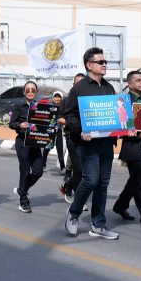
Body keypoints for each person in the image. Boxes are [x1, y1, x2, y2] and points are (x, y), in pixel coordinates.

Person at [62, 47, 119, 240]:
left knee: (102, 184)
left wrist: (124, 127)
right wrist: (80, 131)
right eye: (100, 62)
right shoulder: (79, 88)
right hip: (87, 144)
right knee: (91, 180)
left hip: (106, 144)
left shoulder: (109, 87)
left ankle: (98, 224)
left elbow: (114, 114)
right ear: (89, 65)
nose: (104, 65)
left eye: (105, 62)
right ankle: (74, 213)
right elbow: (69, 115)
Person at [111, 70, 141, 230]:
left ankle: (120, 205)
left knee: (136, 181)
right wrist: (139, 135)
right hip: (133, 148)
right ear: (129, 84)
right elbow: (121, 126)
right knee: (140, 183)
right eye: (138, 80)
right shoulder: (124, 102)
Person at [10, 81, 45, 213]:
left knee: (38, 171)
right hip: (22, 142)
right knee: (25, 171)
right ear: (24, 92)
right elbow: (11, 124)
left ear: (36, 92)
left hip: (35, 142)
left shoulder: (40, 107)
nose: (30, 91)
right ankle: (23, 201)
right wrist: (20, 125)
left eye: (33, 90)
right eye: (28, 89)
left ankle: (22, 190)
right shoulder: (18, 106)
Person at [58, 73, 86, 203]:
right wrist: (74, 123)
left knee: (85, 170)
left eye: (82, 83)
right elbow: (59, 119)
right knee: (78, 169)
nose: (80, 86)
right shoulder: (67, 100)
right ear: (73, 84)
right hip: (72, 137)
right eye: (77, 83)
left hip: (87, 138)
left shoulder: (89, 100)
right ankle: (73, 194)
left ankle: (67, 186)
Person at [45, 91, 65, 171]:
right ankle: (43, 165)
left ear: (61, 98)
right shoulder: (48, 106)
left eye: (59, 97)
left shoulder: (63, 108)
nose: (57, 98)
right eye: (55, 96)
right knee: (47, 148)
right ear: (53, 98)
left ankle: (62, 168)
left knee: (60, 150)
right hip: (49, 130)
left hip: (58, 130)